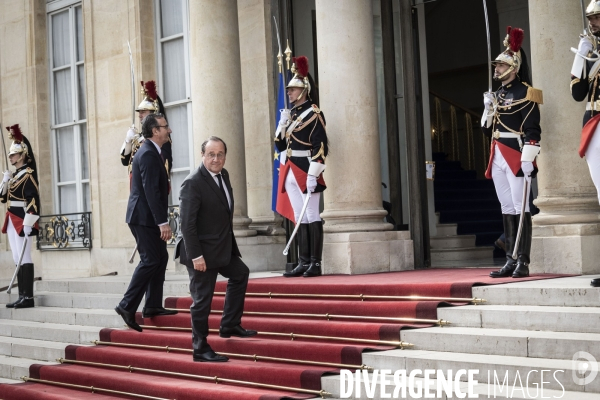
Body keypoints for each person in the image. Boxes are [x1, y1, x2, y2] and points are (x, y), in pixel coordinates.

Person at [175, 136, 256, 363]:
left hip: (221, 247)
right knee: (202, 301)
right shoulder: (193, 182)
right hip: (200, 252)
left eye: (220, 154)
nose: (216, 159)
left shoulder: (224, 175)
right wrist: (197, 256)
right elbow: (187, 225)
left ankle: (229, 324)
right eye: (211, 154)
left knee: (240, 273)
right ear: (203, 155)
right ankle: (200, 348)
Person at [482, 27, 542, 279]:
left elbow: (533, 130)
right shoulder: (498, 94)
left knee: (521, 207)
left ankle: (524, 261)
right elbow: (489, 131)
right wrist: (487, 112)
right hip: (497, 153)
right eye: (496, 66)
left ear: (513, 68)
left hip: (517, 154)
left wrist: (529, 159)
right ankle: (510, 258)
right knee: (506, 206)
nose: (496, 69)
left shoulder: (526, 92)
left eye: (501, 66)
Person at [115, 113, 177, 332]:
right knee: (151, 260)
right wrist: (163, 222)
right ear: (155, 131)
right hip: (144, 217)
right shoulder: (149, 153)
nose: (169, 130)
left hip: (146, 216)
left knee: (160, 258)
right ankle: (126, 305)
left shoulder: (153, 151)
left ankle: (152, 305)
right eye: (165, 127)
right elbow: (151, 191)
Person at [274, 56, 328, 278]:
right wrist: (282, 124)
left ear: (304, 89)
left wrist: (314, 174)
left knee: (313, 214)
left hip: (306, 168)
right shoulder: (292, 114)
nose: (289, 93)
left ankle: (315, 263)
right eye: (288, 90)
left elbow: (320, 146)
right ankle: (303, 262)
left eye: (293, 90)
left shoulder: (314, 113)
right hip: (289, 168)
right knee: (299, 215)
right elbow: (279, 144)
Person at [570, 1, 600, 287]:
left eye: (597, 17)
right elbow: (577, 93)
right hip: (594, 122)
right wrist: (582, 59)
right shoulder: (589, 49)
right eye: (590, 17)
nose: (592, 22)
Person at [1, 124, 40, 308]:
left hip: (22, 219)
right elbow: (2, 198)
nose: (11, 157)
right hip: (11, 218)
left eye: (14, 154)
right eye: (10, 155)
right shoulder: (15, 176)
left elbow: (33, 200)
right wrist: (5, 181)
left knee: (24, 257)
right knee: (17, 258)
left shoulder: (28, 175)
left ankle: (29, 298)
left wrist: (29, 222)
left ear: (22, 155)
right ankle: (22, 295)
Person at [120, 80, 173, 180]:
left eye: (143, 112)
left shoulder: (161, 138)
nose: (140, 115)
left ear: (154, 113)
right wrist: (128, 141)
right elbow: (125, 161)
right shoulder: (139, 137)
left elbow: (164, 165)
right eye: (139, 112)